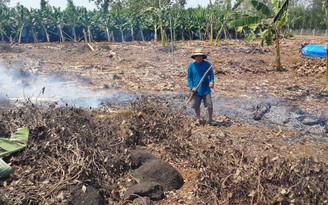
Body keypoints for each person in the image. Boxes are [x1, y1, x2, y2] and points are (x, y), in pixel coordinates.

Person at [187, 48, 214, 124]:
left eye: (200, 56)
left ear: (202, 57)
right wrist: (192, 87)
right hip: (196, 89)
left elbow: (211, 74)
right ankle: (198, 118)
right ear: (194, 57)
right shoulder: (191, 66)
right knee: (196, 105)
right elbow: (189, 77)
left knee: (209, 104)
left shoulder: (207, 64)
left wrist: (212, 81)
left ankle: (210, 119)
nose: (198, 58)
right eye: (197, 56)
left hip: (206, 88)